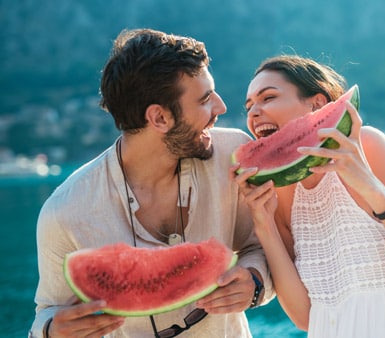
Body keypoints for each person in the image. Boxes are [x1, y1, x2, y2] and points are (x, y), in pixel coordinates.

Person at [30, 28, 273, 338]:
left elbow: (261, 245)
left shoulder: (231, 155)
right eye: (205, 99)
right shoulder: (65, 212)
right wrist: (51, 330)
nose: (221, 108)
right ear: (159, 118)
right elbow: (46, 313)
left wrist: (254, 281)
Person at [233, 55, 385, 337]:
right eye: (249, 106)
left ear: (318, 104)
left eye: (268, 98)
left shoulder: (369, 147)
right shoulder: (280, 193)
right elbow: (305, 317)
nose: (253, 112)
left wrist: (370, 186)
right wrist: (264, 224)